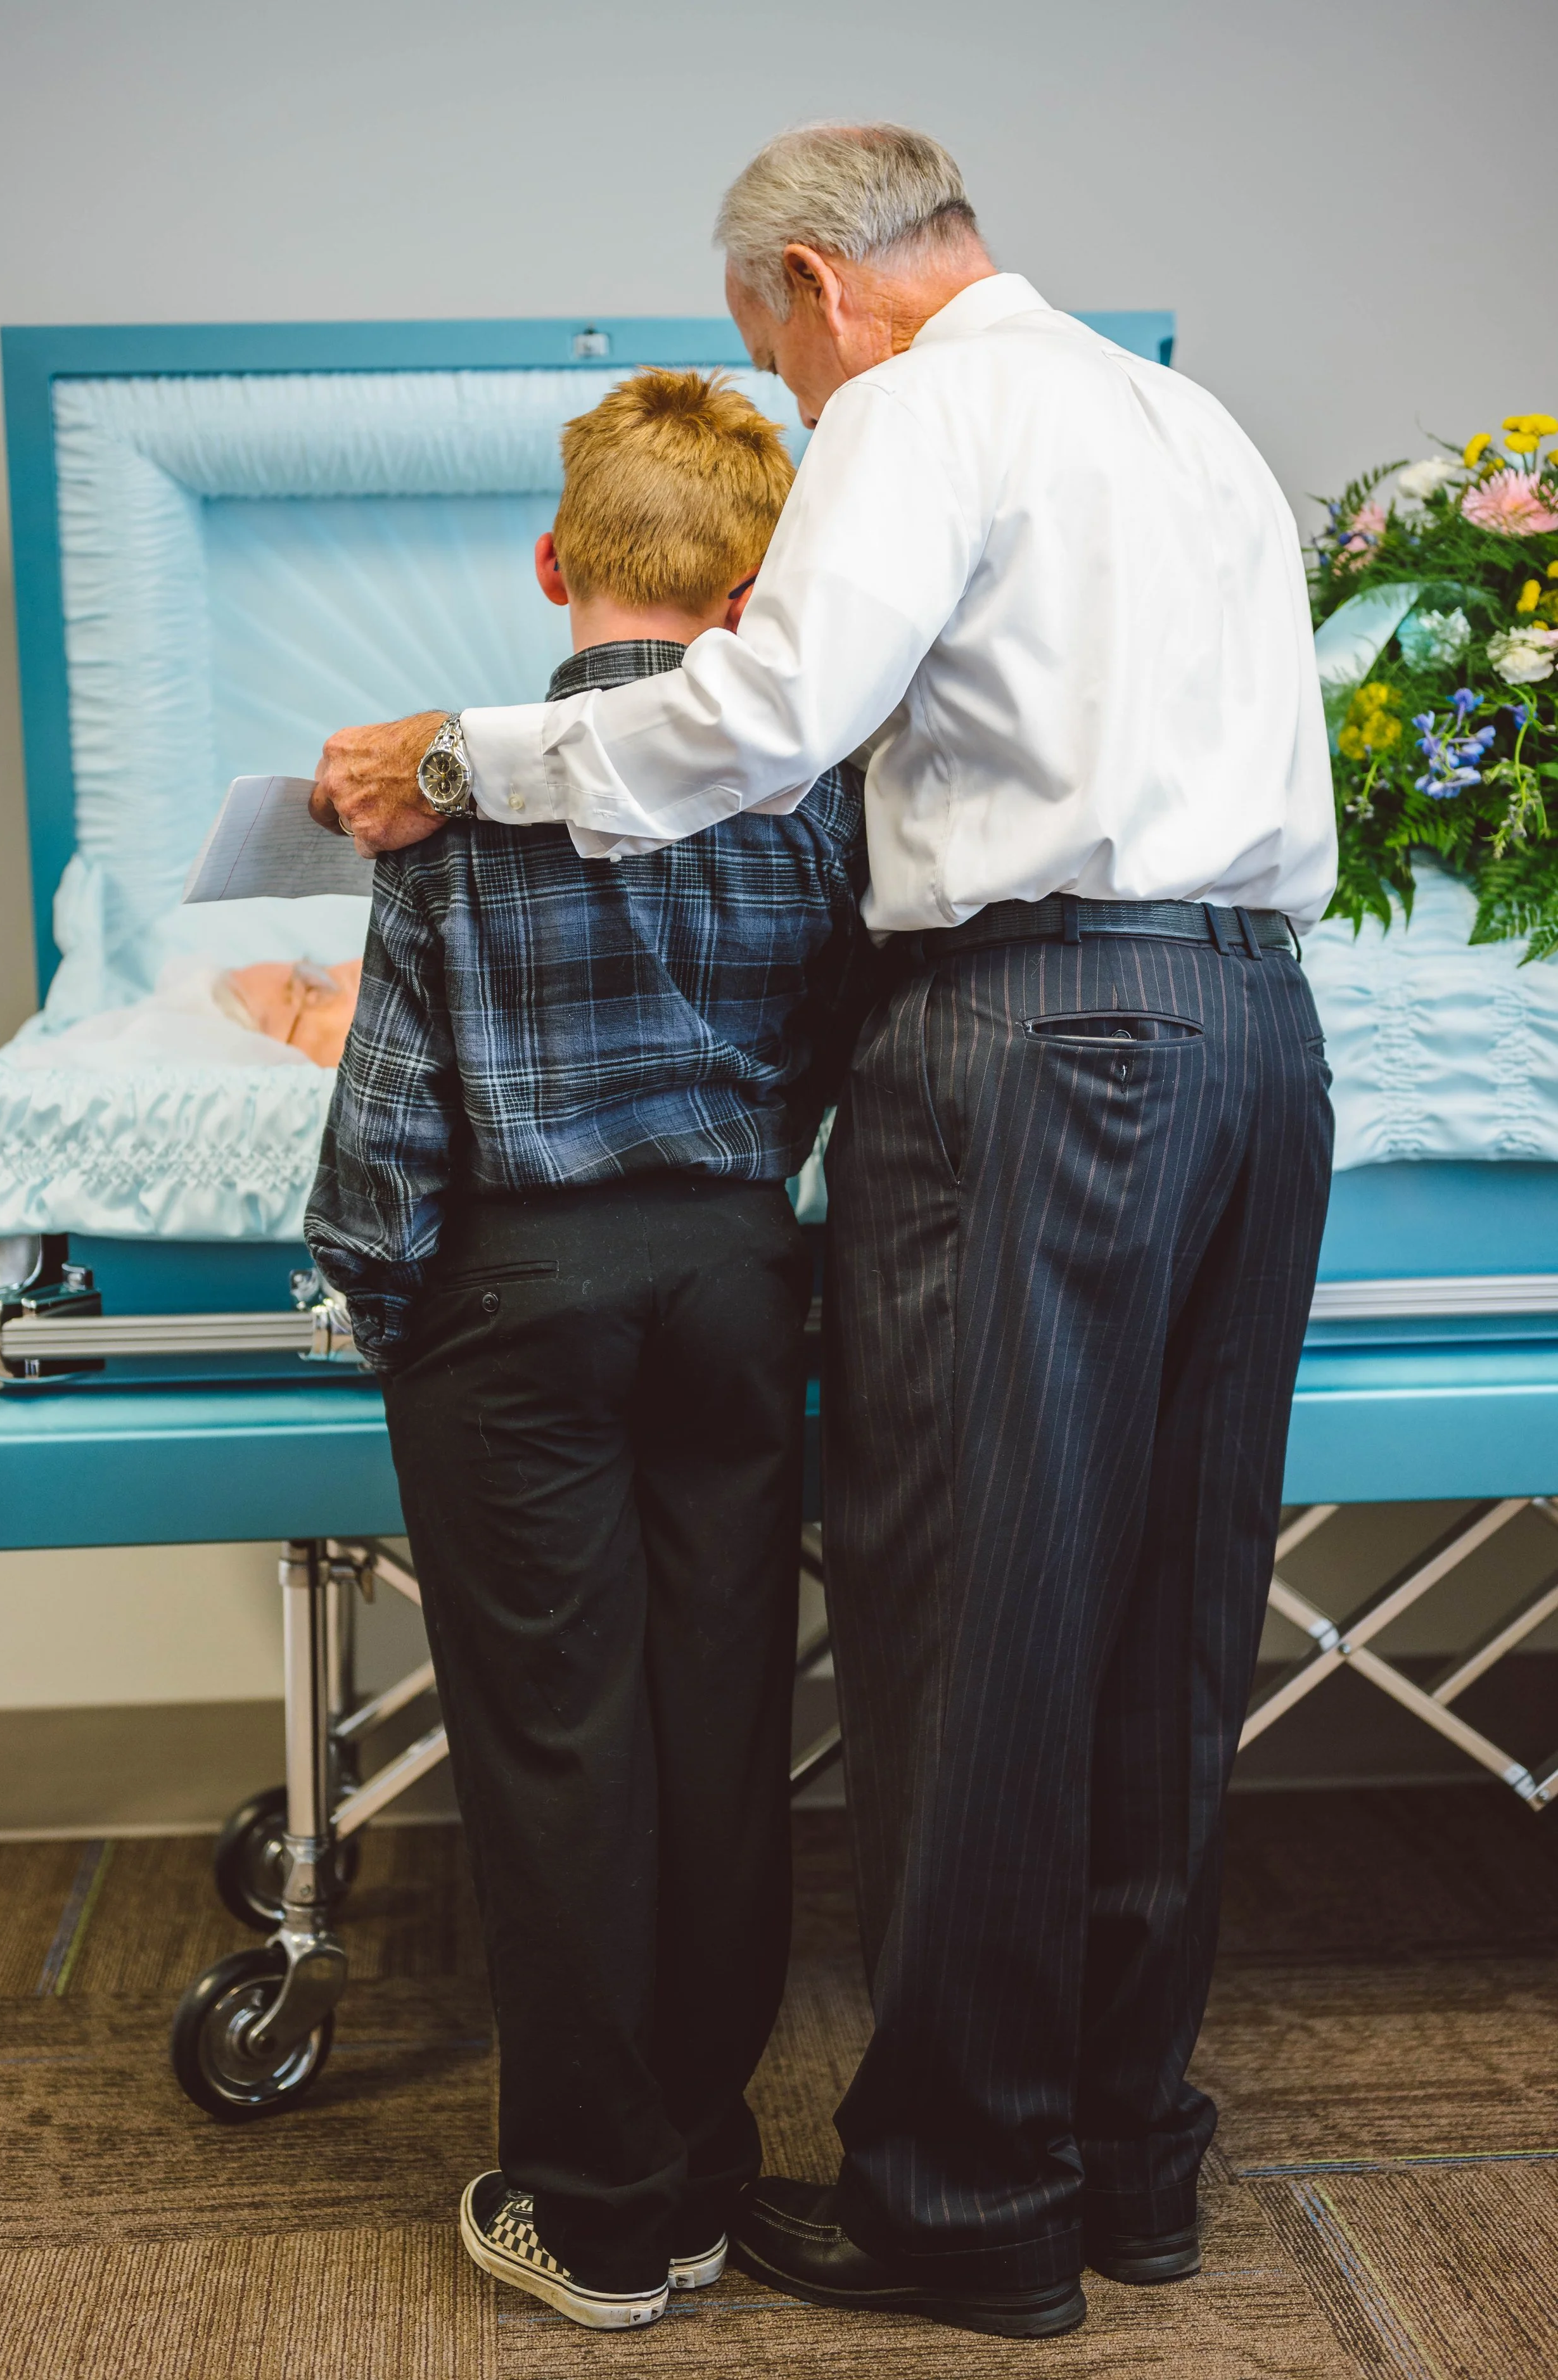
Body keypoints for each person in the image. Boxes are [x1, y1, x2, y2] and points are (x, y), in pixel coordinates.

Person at [311, 124, 1336, 2344]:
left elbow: (772, 717)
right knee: (1167, 1626)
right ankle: (1124, 2157)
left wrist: (460, 762)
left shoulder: (916, 402)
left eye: (767, 353)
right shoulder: (1185, 421)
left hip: (1045, 1039)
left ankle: (966, 2197)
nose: (783, 399)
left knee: (970, 1623)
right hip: (1258, 1036)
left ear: (812, 281)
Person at [305, 367, 865, 2332]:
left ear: (555, 565)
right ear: (754, 591)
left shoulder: (451, 785)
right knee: (720, 1727)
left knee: (560, 1744)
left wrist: (362, 1288)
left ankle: (597, 2216)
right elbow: (825, 1056)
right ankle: (704, 2160)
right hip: (731, 1271)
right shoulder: (809, 786)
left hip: (519, 1301)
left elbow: (394, 1099)